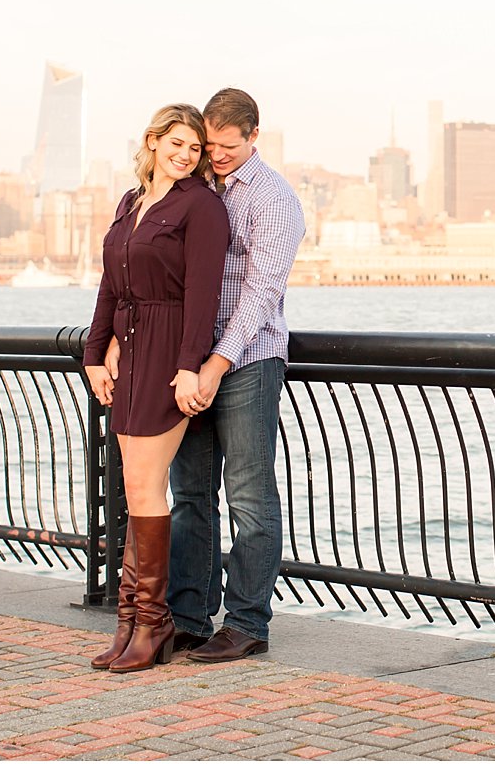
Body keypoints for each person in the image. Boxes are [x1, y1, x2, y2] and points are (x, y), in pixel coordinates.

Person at [83, 103, 229, 673]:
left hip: (169, 353)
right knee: (135, 488)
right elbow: (109, 285)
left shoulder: (202, 207)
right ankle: (130, 622)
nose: (186, 154)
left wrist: (191, 366)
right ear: (153, 141)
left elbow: (203, 295)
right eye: (177, 143)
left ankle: (153, 621)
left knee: (146, 488)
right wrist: (95, 353)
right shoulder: (130, 202)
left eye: (195, 148)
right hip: (130, 353)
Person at [169, 86, 306, 662]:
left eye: (228, 145)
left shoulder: (273, 198)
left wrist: (216, 362)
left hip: (246, 361)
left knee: (249, 497)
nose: (218, 155)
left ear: (254, 137)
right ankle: (189, 617)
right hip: (191, 362)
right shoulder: (197, 187)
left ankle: (247, 623)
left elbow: (261, 293)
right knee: (191, 495)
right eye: (211, 144)